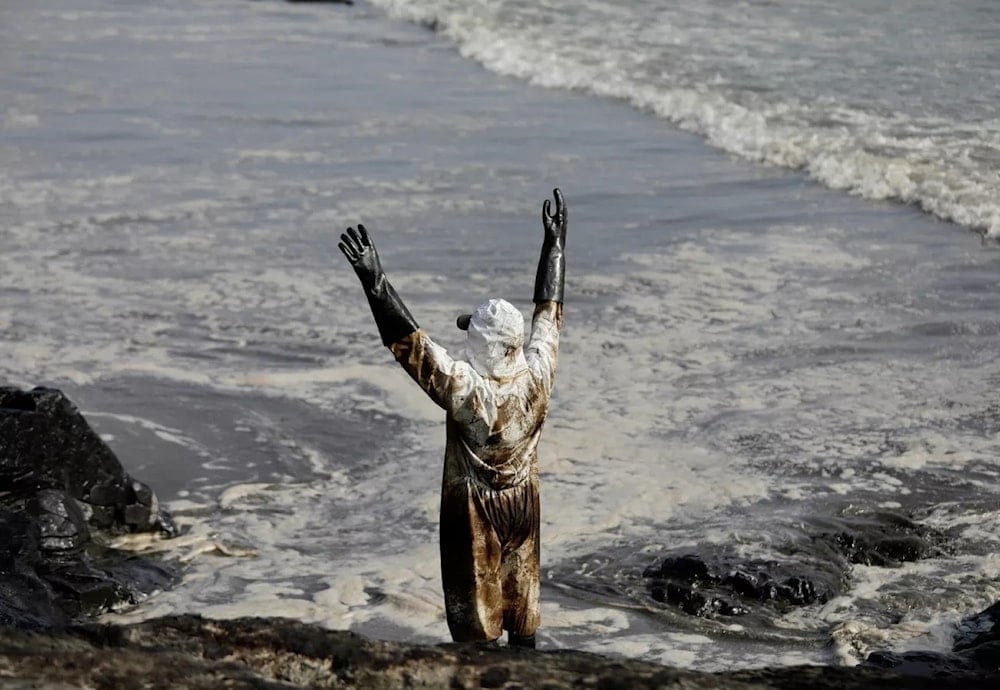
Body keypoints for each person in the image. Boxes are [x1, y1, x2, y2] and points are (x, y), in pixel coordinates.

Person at [338, 189, 567, 648]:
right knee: (521, 606)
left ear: (482, 345)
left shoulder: (468, 391)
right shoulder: (540, 372)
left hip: (475, 509)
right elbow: (549, 312)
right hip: (524, 503)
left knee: (477, 621)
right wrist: (555, 245)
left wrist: (374, 279)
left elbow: (412, 347)